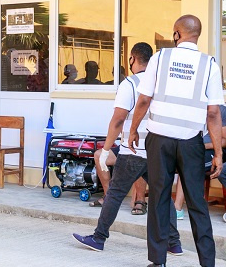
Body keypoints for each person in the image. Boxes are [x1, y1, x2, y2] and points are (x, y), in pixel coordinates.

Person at [128, 15, 222, 267]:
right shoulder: (209, 64)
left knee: (158, 197)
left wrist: (134, 128)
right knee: (196, 201)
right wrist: (218, 152)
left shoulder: (160, 58)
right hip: (191, 141)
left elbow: (144, 99)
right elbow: (213, 113)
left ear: (176, 34)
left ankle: (159, 264)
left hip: (159, 138)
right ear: (197, 35)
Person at [72, 43, 182, 254]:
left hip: (132, 151)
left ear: (132, 59)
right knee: (163, 195)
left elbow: (118, 120)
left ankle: (98, 238)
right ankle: (173, 243)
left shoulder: (130, 84)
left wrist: (105, 150)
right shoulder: (161, 84)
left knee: (114, 193)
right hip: (158, 150)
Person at [174, 104, 226, 222]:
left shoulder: (220, 110)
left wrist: (202, 146)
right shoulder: (191, 108)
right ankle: (166, 206)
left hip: (212, 150)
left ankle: (177, 209)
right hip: (192, 149)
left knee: (189, 162)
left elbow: (224, 141)